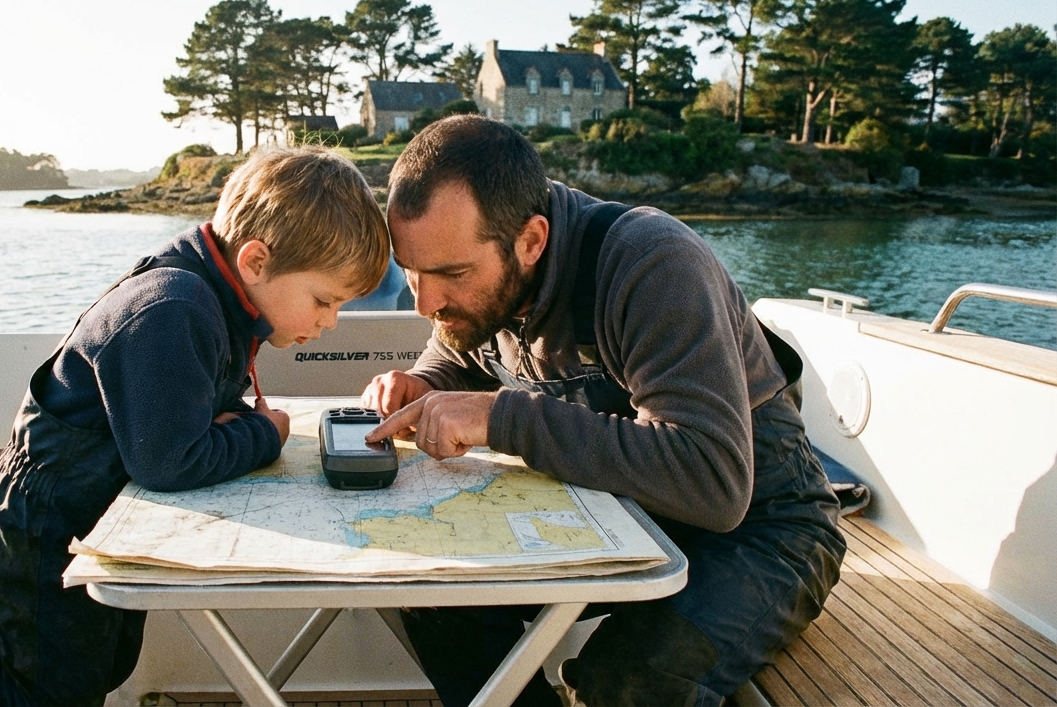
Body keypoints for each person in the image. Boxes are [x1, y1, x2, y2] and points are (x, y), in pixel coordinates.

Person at [0, 147, 391, 706]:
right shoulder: (174, 309)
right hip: (48, 517)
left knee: (107, 668)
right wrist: (265, 435)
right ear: (257, 261)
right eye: (324, 300)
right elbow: (169, 462)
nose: (332, 322)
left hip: (87, 507)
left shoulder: (216, 295)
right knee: (50, 698)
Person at [361, 116, 845, 706]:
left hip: (763, 529)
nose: (425, 302)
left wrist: (501, 417)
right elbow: (451, 360)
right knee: (436, 595)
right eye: (410, 271)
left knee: (626, 681)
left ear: (532, 241)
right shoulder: (486, 285)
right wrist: (420, 385)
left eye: (451, 275)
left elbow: (713, 481)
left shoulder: (652, 263)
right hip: (615, 517)